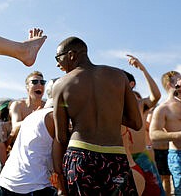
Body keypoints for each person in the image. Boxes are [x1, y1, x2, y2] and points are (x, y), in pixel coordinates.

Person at [52, 36, 142, 195]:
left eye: (59, 58)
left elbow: (61, 136)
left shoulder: (61, 84)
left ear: (72, 55)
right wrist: (110, 110)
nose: (58, 63)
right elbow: (136, 122)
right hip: (116, 156)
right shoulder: (119, 76)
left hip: (80, 156)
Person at [122, 54, 165, 196]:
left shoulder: (140, 105)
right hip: (122, 158)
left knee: (154, 192)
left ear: (131, 84)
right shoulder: (113, 106)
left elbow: (156, 96)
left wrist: (142, 69)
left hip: (142, 158)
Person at [0, 107, 63, 196]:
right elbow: (58, 161)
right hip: (32, 184)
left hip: (9, 180)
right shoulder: (55, 118)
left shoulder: (33, 116)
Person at [8, 69, 46, 147]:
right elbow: (15, 128)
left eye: (42, 82)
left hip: (43, 151)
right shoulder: (18, 105)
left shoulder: (47, 106)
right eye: (35, 82)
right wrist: (33, 118)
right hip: (23, 149)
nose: (39, 85)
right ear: (27, 87)